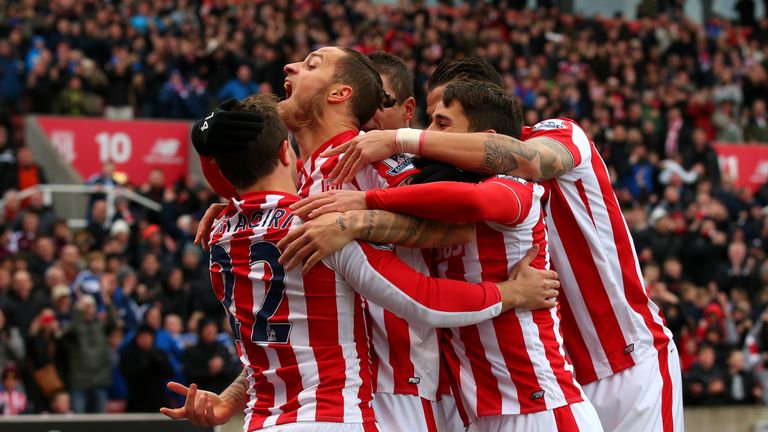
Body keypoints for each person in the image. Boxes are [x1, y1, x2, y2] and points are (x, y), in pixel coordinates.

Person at [323, 57, 684, 432]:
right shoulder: (450, 178)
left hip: (624, 361)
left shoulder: (557, 136)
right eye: (430, 120)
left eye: (443, 122)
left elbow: (526, 164)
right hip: (537, 376)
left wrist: (397, 141)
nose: (433, 136)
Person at [162, 93, 557, 431]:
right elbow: (425, 300)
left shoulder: (217, 233)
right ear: (286, 152)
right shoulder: (319, 226)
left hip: (261, 419)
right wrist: (510, 293)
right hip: (335, 416)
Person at [292, 80, 602, 431]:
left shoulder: (515, 187)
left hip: (540, 408)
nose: (431, 135)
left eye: (442, 125)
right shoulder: (437, 197)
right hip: (479, 412)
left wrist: (367, 203)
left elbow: (475, 203)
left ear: (481, 137)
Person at [120, 324, 174, 412]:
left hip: (158, 400)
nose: (145, 340)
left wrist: (155, 358)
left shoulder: (159, 353)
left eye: (147, 337)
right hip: (136, 401)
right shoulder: (128, 354)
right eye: (142, 337)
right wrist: (144, 361)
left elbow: (169, 372)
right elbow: (128, 374)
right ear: (136, 338)